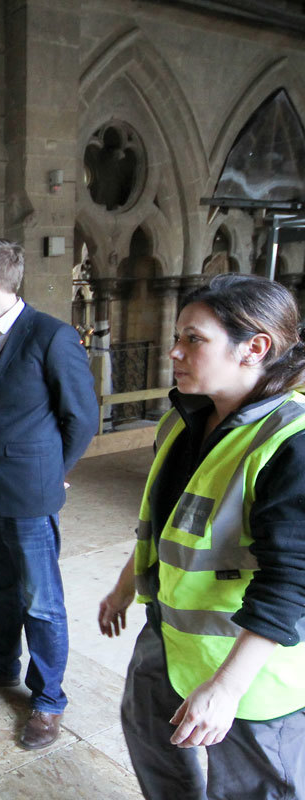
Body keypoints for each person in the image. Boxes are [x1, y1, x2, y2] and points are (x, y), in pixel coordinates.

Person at [98, 274, 305, 799]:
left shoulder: (290, 441)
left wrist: (227, 689)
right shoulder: (183, 421)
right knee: (153, 746)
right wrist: (126, 585)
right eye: (178, 335)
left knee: (255, 788)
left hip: (249, 672)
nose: (173, 351)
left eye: (194, 338)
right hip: (168, 636)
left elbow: (292, 581)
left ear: (254, 347)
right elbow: (167, 528)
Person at [0, 237, 97, 750]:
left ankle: (48, 700)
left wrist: (56, 472)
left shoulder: (51, 336)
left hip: (30, 494)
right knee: (0, 587)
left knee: (42, 600)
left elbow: (83, 416)